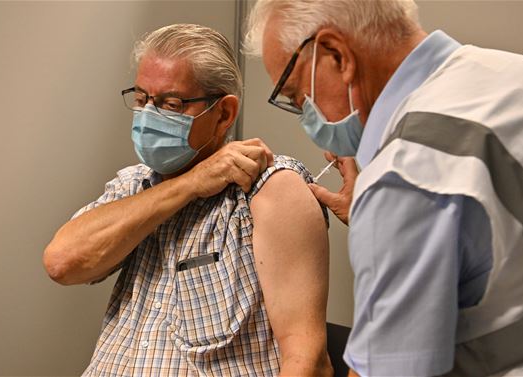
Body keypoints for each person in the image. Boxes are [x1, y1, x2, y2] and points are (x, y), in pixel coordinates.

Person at [244, 1, 523, 376]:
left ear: (338, 56)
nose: (306, 116)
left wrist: (386, 216)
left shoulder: (404, 176)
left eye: (296, 96)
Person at [43, 24, 333, 376]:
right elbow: (62, 262)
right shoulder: (135, 185)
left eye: (171, 104)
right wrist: (190, 184)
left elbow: (307, 359)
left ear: (224, 114)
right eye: (140, 99)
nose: (149, 115)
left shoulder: (268, 188)